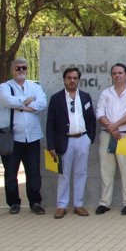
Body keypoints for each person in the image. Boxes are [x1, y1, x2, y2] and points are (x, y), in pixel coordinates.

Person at [0, 58, 47, 215]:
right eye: (17, 68)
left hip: (32, 137)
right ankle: (13, 203)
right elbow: (7, 101)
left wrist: (21, 106)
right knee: (11, 173)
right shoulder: (5, 86)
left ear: (27, 69)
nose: (20, 71)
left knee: (33, 172)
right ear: (12, 70)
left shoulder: (34, 86)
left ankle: (35, 202)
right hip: (12, 137)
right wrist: (27, 102)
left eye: (23, 68)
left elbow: (42, 102)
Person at [46, 67, 97, 219]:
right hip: (64, 141)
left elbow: (91, 120)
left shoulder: (86, 97)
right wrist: (51, 145)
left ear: (78, 80)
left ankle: (78, 205)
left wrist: (89, 138)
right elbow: (50, 124)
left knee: (81, 173)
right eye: (69, 78)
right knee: (64, 175)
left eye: (75, 78)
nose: (72, 80)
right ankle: (61, 206)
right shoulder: (56, 99)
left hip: (82, 139)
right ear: (64, 79)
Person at [95, 63, 126, 216]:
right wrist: (111, 128)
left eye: (120, 72)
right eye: (114, 73)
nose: (117, 75)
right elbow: (99, 113)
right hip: (107, 134)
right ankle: (104, 203)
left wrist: (115, 126)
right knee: (106, 170)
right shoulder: (106, 93)